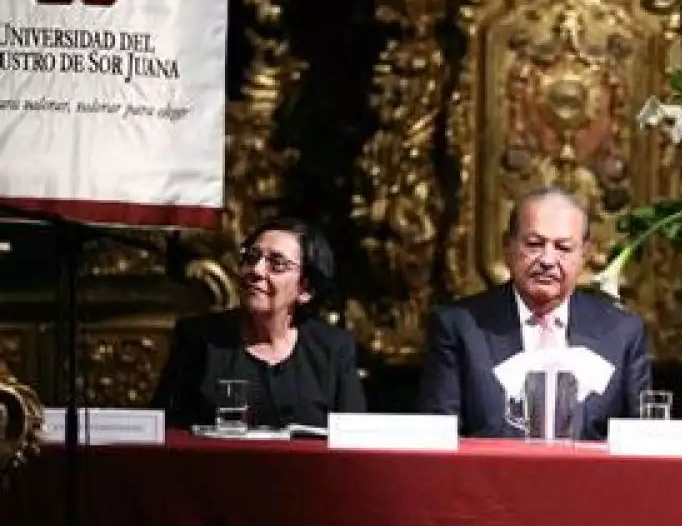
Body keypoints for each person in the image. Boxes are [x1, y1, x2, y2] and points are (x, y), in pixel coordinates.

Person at [417, 186, 652, 439]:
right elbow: (437, 442)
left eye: (563, 247)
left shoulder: (622, 333)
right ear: (508, 247)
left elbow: (642, 445)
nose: (548, 260)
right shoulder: (459, 327)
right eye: (534, 244)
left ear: (585, 254)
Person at [151, 218, 366, 428]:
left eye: (277, 264)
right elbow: (165, 433)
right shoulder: (198, 339)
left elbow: (353, 441)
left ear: (305, 289)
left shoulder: (333, 348)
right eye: (252, 257)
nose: (256, 270)